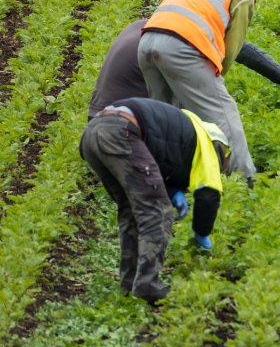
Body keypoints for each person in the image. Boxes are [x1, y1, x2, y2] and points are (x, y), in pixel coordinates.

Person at [79, 97, 230, 303]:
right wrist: (201, 233)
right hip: (122, 132)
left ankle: (129, 283)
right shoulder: (209, 149)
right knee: (157, 211)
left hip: (94, 131)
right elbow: (208, 196)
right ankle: (147, 285)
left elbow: (152, 162)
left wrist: (172, 190)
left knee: (131, 210)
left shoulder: (185, 131)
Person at [137, 0, 263, 177]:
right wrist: (214, 78)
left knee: (163, 120)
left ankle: (159, 178)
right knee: (224, 114)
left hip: (147, 42)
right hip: (182, 47)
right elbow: (231, 48)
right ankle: (244, 180)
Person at [89, 19, 280, 120]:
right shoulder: (173, 40)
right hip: (124, 127)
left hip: (99, 120)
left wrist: (279, 74)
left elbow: (237, 47)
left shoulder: (144, 26)